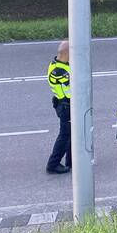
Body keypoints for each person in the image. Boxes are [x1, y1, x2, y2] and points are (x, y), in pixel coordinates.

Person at [45, 40, 72, 174]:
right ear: (66, 53)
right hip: (66, 106)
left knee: (72, 134)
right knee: (64, 136)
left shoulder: (57, 63)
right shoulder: (59, 71)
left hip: (64, 104)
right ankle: (53, 164)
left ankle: (71, 160)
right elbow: (76, 84)